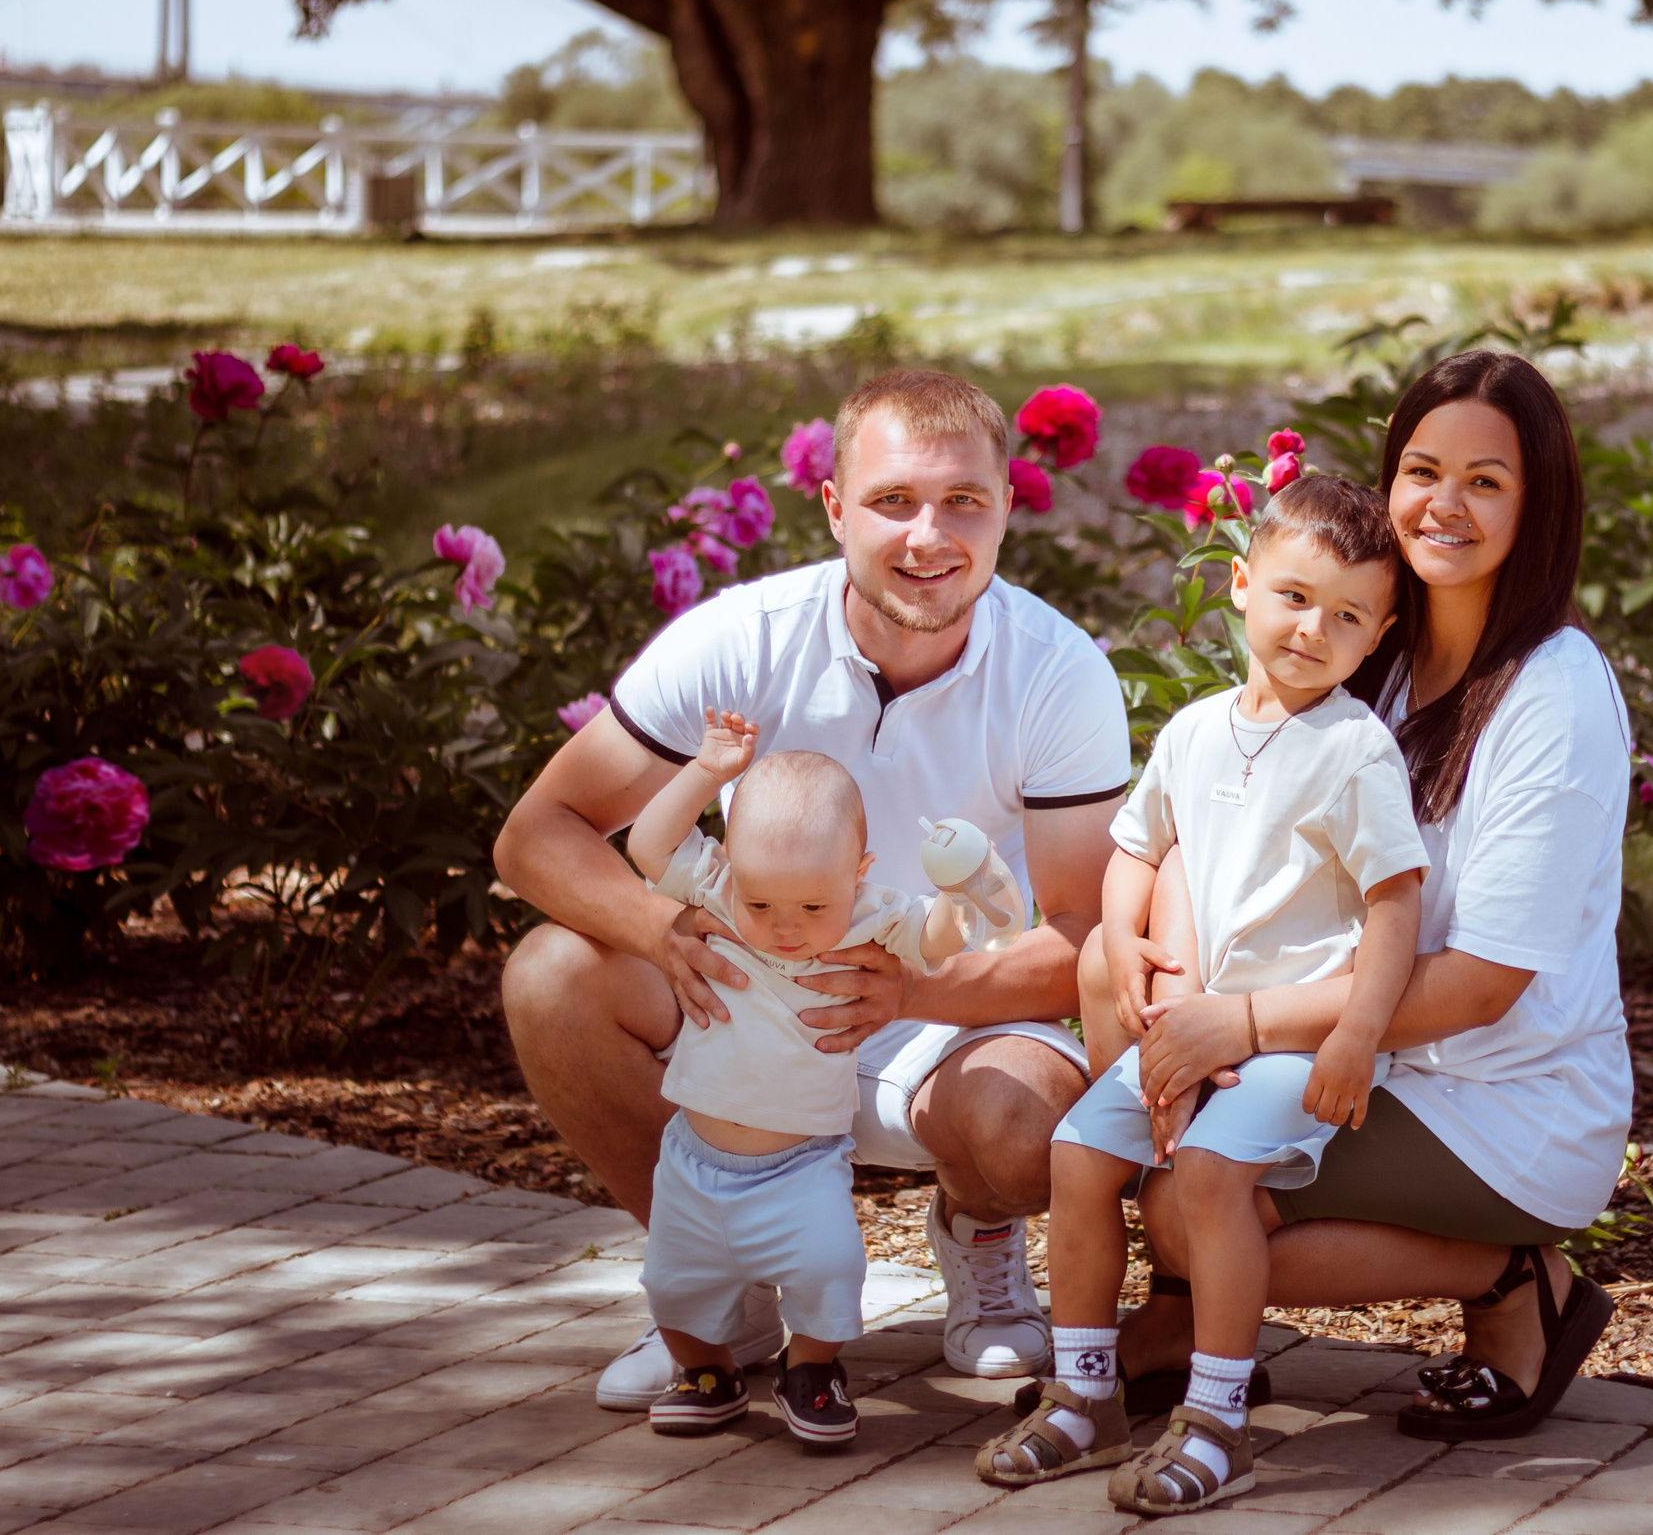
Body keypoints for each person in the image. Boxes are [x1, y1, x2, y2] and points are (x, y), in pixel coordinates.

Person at [494, 369, 1130, 1410]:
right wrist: (661, 929)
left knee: (1029, 1126)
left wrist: (906, 993)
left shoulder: (1057, 672)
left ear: (1007, 507)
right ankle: (715, 1293)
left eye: (963, 501)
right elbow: (535, 839)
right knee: (553, 975)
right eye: (892, 501)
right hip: (744, 995)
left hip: (944, 1007)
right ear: (835, 508)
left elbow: (1079, 933)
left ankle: (977, 1240)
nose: (929, 535)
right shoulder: (741, 639)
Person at [1099, 349, 1635, 1442]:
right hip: (1350, 1053)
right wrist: (1186, 993)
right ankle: (1191, 1330)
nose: (1443, 504)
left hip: (1500, 1098)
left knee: (1195, 1214)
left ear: (1537, 509)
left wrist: (1238, 1023)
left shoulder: (1553, 697)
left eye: (1485, 481)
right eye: (1422, 471)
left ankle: (1514, 1276)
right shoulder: (1367, 650)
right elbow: (1211, 829)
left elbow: (1483, 985)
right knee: (1164, 1175)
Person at [973, 474, 1428, 1514]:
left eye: (1348, 616)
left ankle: (1220, 1415)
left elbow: (1395, 906)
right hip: (1196, 1019)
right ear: (1240, 584)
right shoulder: (1193, 730)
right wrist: (1125, 946)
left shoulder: (1353, 750)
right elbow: (1137, 852)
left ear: (1378, 635)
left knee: (1214, 1173)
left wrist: (1360, 1032)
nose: (1315, 629)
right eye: (1294, 596)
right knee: (1079, 1154)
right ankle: (1085, 1394)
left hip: (1296, 1041)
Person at [623, 713, 1015, 1441]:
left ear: (859, 872)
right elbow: (648, 844)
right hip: (693, 1157)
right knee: (673, 1286)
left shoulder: (871, 916)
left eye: (811, 905)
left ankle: (811, 1365)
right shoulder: (714, 888)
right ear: (730, 865)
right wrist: (707, 770)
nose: (785, 926)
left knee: (830, 1268)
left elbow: (932, 943)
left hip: (800, 1162)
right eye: (762, 902)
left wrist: (962, 892)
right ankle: (705, 1369)